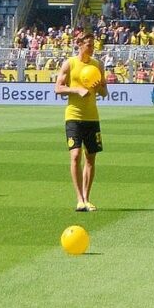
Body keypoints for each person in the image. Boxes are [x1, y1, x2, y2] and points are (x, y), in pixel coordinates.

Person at [53, 29, 106, 212]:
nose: (92, 48)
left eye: (93, 45)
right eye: (89, 45)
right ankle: (79, 198)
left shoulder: (97, 65)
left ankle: (87, 197)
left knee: (90, 158)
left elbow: (104, 92)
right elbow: (58, 88)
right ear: (80, 44)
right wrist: (77, 90)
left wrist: (99, 86)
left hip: (92, 117)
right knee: (75, 156)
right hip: (73, 116)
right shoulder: (69, 64)